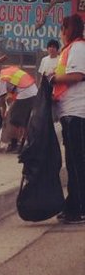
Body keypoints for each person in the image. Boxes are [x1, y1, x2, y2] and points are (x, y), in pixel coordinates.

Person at [52, 14, 85, 224]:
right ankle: (75, 204)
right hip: (70, 113)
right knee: (74, 162)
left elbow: (77, 75)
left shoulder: (79, 48)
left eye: (62, 29)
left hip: (77, 113)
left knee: (76, 163)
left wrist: (52, 79)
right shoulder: (72, 49)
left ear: (68, 29)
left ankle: (78, 207)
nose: (61, 34)